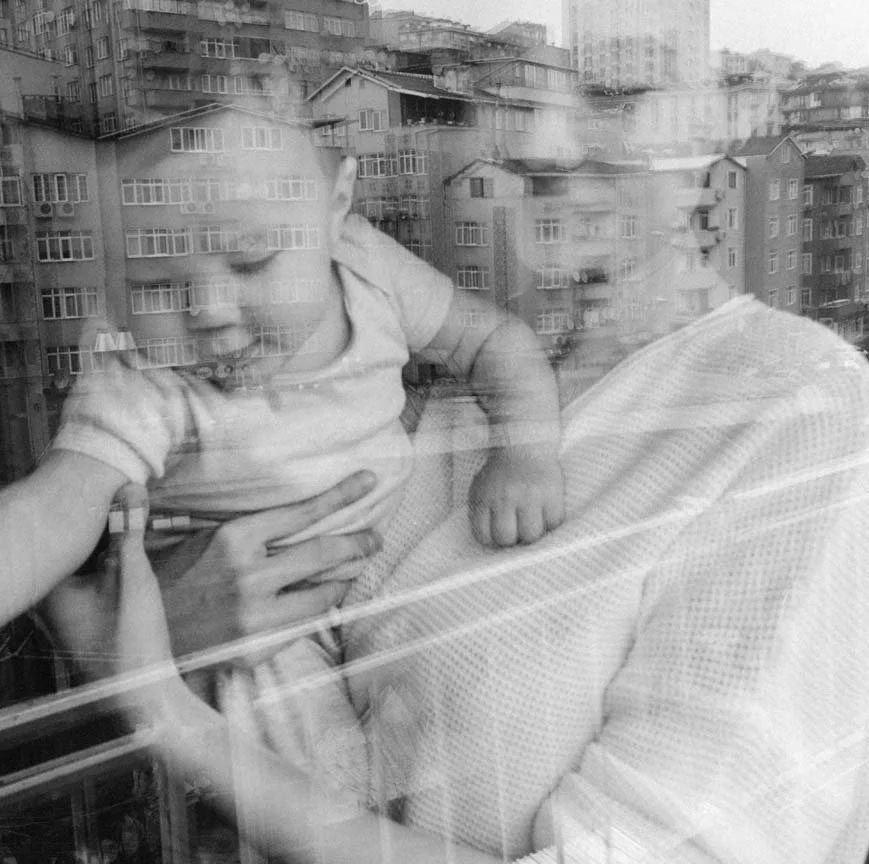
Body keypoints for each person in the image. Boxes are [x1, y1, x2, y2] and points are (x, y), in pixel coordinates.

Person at [41, 293, 869, 864]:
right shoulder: (402, 392)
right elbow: (303, 718)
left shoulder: (798, 408)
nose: (542, 139)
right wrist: (159, 632)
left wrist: (160, 707)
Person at [2, 105, 563, 789]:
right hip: (263, 630)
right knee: (334, 789)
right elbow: (54, 507)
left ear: (336, 206)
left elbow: (491, 341)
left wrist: (525, 452)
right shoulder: (142, 378)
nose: (208, 311)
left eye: (252, 260)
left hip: (396, 557)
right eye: (154, 283)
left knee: (489, 719)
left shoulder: (366, 267)